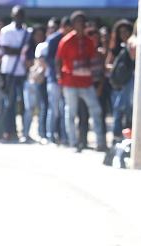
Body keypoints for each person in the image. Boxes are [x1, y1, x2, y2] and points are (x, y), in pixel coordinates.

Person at [55, 10, 107, 153]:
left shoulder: (88, 41)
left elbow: (93, 60)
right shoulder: (66, 41)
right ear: (73, 24)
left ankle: (100, 142)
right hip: (70, 82)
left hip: (86, 82)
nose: (80, 24)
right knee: (71, 112)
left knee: (96, 110)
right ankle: (73, 142)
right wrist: (60, 79)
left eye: (82, 21)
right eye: (78, 21)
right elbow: (58, 60)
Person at [0, 6, 30, 142]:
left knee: (23, 103)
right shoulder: (6, 31)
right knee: (9, 103)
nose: (18, 17)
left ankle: (24, 132)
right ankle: (9, 131)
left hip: (22, 72)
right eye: (16, 15)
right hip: (9, 71)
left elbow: (27, 51)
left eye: (21, 15)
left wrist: (17, 50)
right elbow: (6, 50)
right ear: (12, 15)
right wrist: (21, 51)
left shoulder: (28, 32)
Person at [106, 19, 134, 144]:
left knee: (129, 114)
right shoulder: (116, 48)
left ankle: (127, 141)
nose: (124, 35)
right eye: (121, 33)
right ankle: (115, 141)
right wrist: (119, 69)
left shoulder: (133, 46)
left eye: (126, 32)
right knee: (118, 112)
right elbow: (107, 65)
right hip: (118, 84)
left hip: (130, 84)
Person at [44, 16, 71, 145]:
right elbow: (48, 60)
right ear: (62, 27)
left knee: (65, 110)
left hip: (68, 81)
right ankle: (51, 136)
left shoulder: (72, 39)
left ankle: (65, 137)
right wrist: (59, 61)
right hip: (54, 80)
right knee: (54, 110)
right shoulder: (53, 39)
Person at [22, 24, 47, 144]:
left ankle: (41, 133)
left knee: (42, 108)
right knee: (30, 108)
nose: (40, 37)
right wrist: (38, 62)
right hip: (31, 82)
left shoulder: (46, 47)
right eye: (38, 34)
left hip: (43, 82)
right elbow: (26, 63)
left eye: (42, 35)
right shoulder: (28, 48)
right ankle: (25, 133)